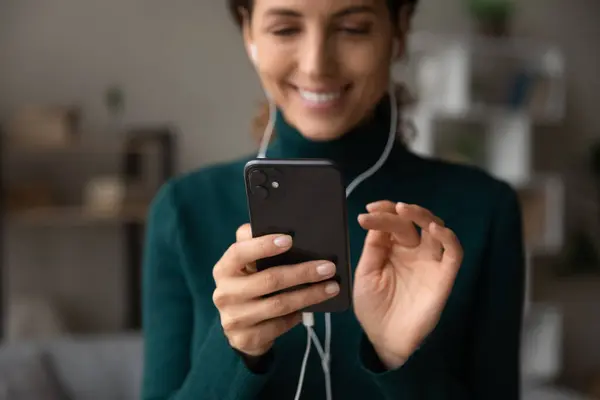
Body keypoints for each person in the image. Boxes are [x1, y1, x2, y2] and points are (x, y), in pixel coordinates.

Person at [141, 0, 526, 399]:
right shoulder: (181, 209)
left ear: (399, 31)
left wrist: (400, 360)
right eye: (286, 30)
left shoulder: (485, 209)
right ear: (248, 32)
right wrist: (234, 351)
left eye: (354, 28)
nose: (316, 66)